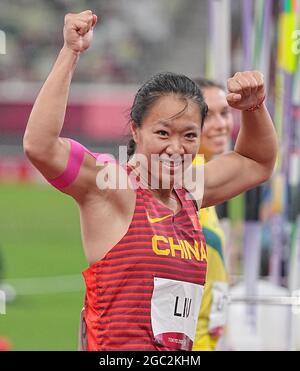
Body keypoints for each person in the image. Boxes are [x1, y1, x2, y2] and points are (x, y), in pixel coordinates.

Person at [23, 10, 277, 351]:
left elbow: (256, 161)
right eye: (162, 133)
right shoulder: (115, 188)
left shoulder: (189, 193)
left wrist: (255, 108)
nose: (176, 147)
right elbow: (40, 145)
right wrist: (71, 52)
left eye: (189, 135)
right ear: (135, 130)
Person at [192, 79, 233, 351]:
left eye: (225, 112)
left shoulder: (205, 176)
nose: (220, 124)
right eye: (209, 115)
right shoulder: (189, 178)